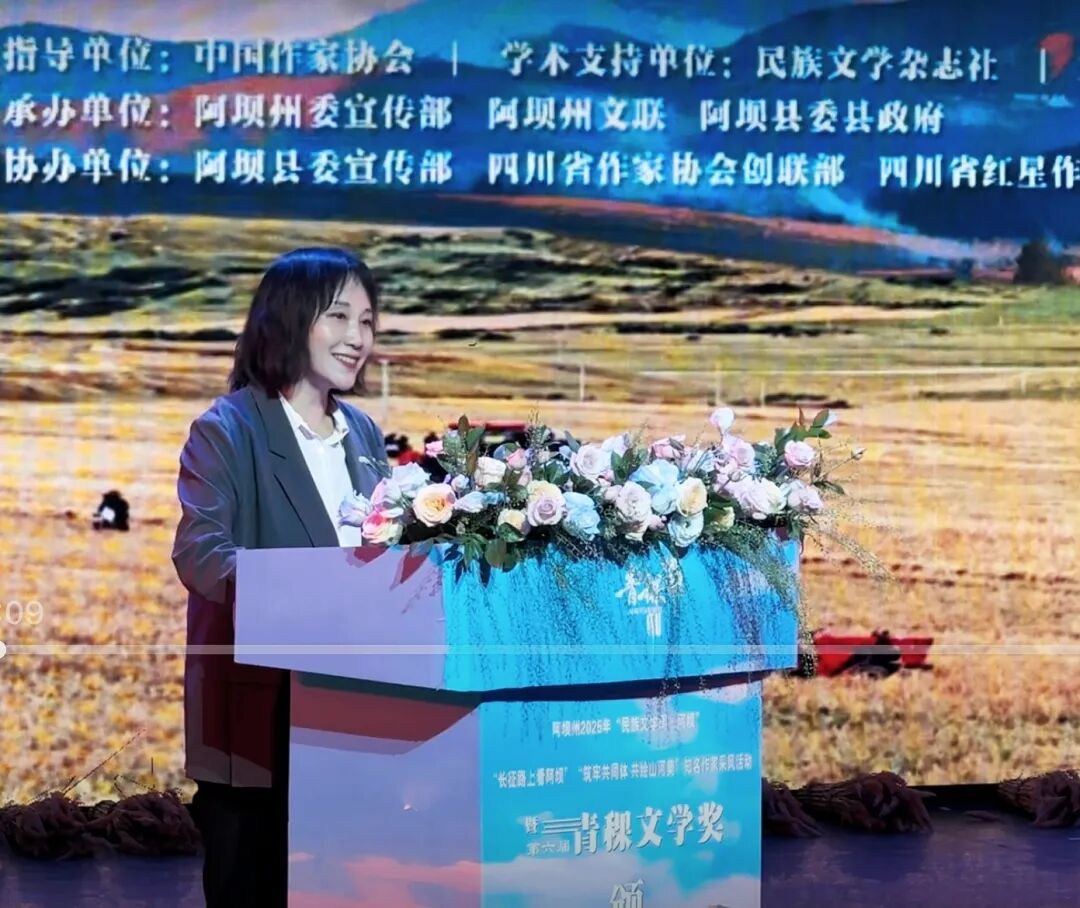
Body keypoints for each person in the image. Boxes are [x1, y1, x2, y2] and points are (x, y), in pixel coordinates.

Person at [171, 247, 387, 908]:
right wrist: (316, 593)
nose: (358, 337)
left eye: (368, 321)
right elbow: (202, 553)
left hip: (355, 716)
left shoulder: (364, 433)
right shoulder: (227, 429)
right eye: (339, 316)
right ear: (289, 319)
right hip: (260, 723)